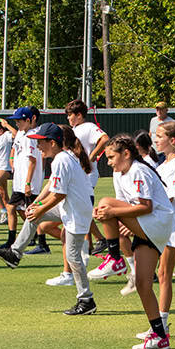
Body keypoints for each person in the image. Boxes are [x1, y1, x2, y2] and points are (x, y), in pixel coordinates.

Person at [93, 135, 175, 349]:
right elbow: (124, 205)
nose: (108, 161)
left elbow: (146, 206)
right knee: (142, 284)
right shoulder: (118, 174)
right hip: (146, 225)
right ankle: (160, 337)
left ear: (126, 154)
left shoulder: (138, 170)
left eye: (111, 157)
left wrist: (111, 211)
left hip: (157, 222)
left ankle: (115, 259)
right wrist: (111, 216)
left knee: (104, 202)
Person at [23, 123, 97, 315]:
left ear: (53, 143)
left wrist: (40, 209)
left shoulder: (61, 160)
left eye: (41, 142)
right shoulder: (62, 158)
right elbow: (53, 190)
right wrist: (37, 206)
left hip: (76, 213)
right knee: (33, 216)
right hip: (71, 209)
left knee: (73, 257)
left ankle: (86, 300)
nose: (38, 146)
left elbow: (58, 194)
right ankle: (15, 252)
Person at [136, 120, 175, 340]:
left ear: (173, 140)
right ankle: (158, 323)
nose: (155, 140)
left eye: (159, 136)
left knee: (164, 274)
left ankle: (162, 325)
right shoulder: (165, 164)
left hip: (173, 227)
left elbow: (169, 197)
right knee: (158, 273)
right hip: (162, 226)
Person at [65, 99, 110, 254]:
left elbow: (105, 139)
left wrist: (92, 156)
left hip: (86, 176)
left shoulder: (88, 127)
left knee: (82, 210)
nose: (68, 118)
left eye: (70, 115)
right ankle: (90, 244)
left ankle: (100, 240)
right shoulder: (75, 130)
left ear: (79, 115)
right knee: (82, 209)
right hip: (78, 176)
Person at [4, 107, 45, 250]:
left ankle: (42, 243)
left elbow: (33, 161)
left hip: (28, 181)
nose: (17, 123)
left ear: (28, 120)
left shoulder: (31, 136)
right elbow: (15, 149)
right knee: (11, 207)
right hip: (19, 180)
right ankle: (12, 239)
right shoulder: (22, 134)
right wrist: (11, 158)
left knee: (34, 212)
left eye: (19, 121)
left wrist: (28, 182)